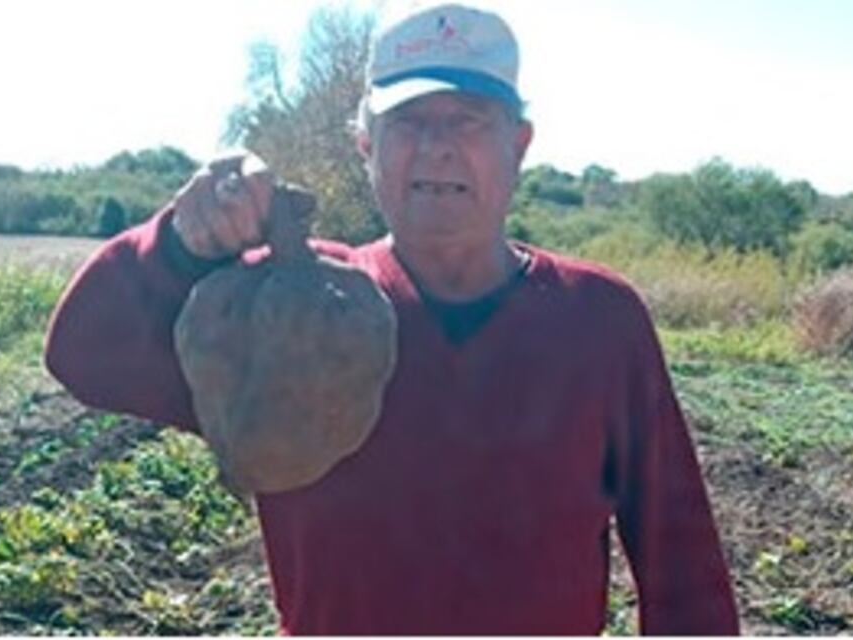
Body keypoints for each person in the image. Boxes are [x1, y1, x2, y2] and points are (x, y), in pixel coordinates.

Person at [44, 2, 739, 634]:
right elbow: (85, 353)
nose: (437, 146)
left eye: (468, 119)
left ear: (519, 143)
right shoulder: (284, 307)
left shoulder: (597, 321)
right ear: (366, 145)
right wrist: (179, 243)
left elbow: (682, 566)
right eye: (408, 122)